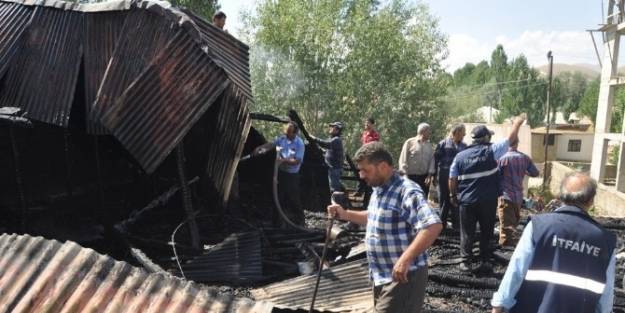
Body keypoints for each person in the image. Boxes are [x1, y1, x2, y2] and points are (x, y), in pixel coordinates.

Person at [327, 142, 442, 313]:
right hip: (381, 275)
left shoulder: (406, 191)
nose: (361, 175)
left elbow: (433, 225)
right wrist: (345, 214)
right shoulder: (379, 189)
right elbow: (375, 216)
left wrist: (405, 259)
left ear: (382, 166)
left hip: (404, 277)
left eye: (365, 170)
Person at [491, 172, 616, 313]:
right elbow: (607, 291)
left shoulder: (538, 226)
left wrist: (499, 304)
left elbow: (517, 269)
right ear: (591, 201)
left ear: (561, 197)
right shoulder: (606, 241)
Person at [449, 115, 525, 273]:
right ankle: (484, 259)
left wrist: (453, 196)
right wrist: (517, 123)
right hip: (487, 201)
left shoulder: (459, 156)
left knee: (467, 232)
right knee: (486, 231)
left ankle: (465, 262)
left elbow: (452, 178)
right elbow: (511, 139)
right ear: (486, 138)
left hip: (467, 201)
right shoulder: (492, 151)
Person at [253, 121, 305, 226]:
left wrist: (283, 160)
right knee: (277, 197)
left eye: (289, 132)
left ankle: (300, 221)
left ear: (295, 133)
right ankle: (276, 223)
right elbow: (271, 145)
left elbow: (297, 161)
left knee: (293, 198)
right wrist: (260, 148)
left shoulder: (299, 144)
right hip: (281, 173)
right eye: (286, 131)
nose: (286, 133)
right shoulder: (282, 139)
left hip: (292, 176)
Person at [497, 138, 539, 246]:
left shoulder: (501, 158)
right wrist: (524, 172)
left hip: (505, 196)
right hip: (518, 197)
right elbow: (535, 173)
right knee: (514, 222)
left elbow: (495, 176)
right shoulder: (525, 158)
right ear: (517, 144)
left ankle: (507, 251)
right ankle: (511, 246)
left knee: (506, 227)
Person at [433, 123, 467, 230]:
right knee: (444, 200)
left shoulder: (464, 146)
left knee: (456, 199)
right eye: (462, 133)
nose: (464, 135)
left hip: (458, 177)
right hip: (444, 175)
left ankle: (456, 225)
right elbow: (435, 160)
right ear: (456, 132)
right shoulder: (443, 144)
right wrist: (433, 176)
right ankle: (441, 225)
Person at [399, 123, 435, 197]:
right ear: (423, 131)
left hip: (424, 179)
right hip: (411, 177)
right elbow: (403, 160)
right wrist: (405, 176)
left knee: (423, 200)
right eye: (428, 131)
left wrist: (429, 176)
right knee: (409, 199)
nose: (430, 133)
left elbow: (432, 161)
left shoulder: (429, 146)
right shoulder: (409, 142)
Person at [310, 122, 345, 192]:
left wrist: (314, 139)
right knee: (334, 185)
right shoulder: (332, 138)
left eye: (333, 127)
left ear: (337, 130)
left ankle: (337, 200)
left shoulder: (336, 139)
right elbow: (327, 149)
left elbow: (326, 144)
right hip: (332, 167)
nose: (331, 128)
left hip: (335, 168)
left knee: (334, 188)